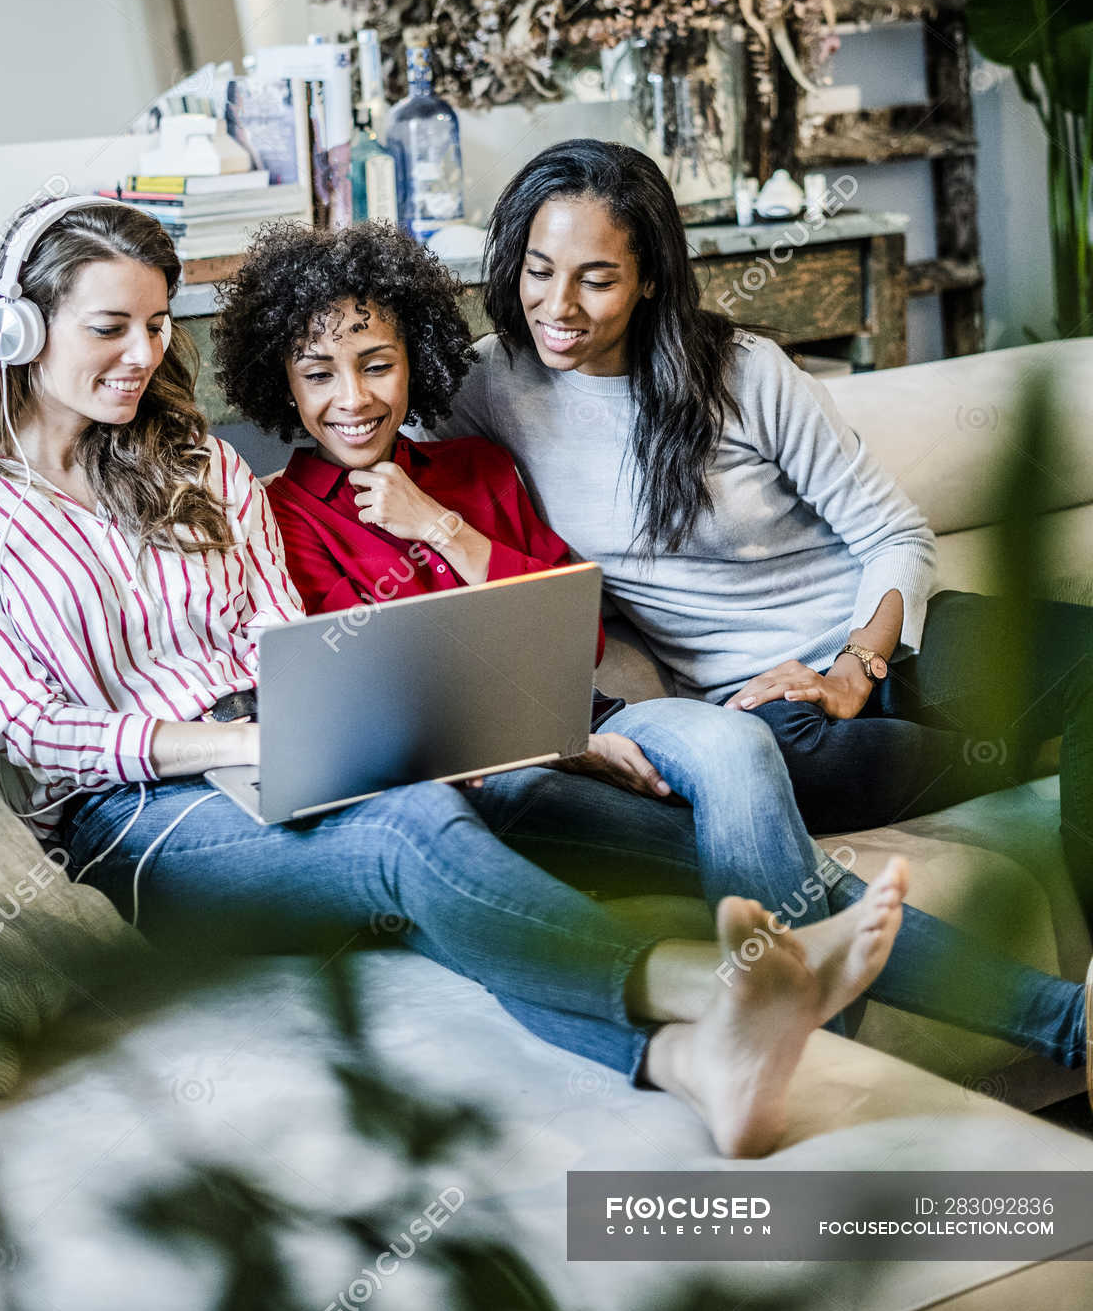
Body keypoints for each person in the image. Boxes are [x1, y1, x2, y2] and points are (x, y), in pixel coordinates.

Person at [0, 194, 912, 1161]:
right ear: (17, 331)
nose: (143, 356)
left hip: (296, 742)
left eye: (158, 326)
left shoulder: (198, 464)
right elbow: (31, 729)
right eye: (110, 327)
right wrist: (243, 743)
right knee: (412, 829)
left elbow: (289, 636)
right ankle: (706, 987)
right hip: (138, 820)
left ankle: (726, 1045)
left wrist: (462, 725)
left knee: (645, 830)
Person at [213, 218, 1091, 1093]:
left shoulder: (476, 468)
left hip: (603, 714)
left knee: (739, 744)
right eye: (318, 373)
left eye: (377, 363)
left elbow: (578, 625)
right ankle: (1033, 1030)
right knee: (798, 880)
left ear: (415, 363)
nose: (354, 398)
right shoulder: (282, 518)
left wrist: (439, 527)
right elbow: (371, 687)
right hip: (494, 766)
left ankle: (821, 1038)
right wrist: (559, 736)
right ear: (282, 387)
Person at [428, 139, 1093, 917]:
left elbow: (895, 535)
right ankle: (1009, 751)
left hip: (896, 652)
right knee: (770, 767)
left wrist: (853, 671)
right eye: (539, 271)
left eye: (597, 279)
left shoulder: (745, 373)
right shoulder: (489, 384)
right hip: (768, 709)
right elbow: (367, 424)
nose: (558, 306)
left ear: (648, 280)